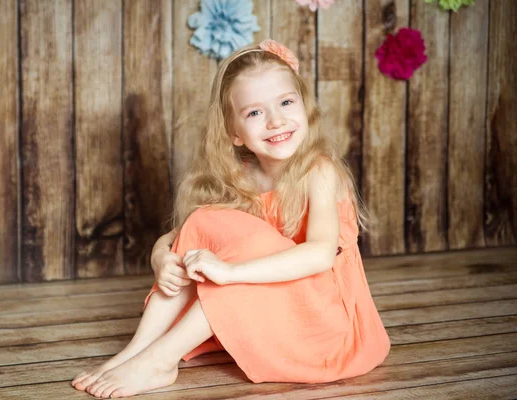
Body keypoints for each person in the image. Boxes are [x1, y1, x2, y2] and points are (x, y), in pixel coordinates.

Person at [71, 39, 390, 399]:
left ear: (305, 107)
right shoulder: (244, 175)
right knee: (206, 218)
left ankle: (161, 359)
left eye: (286, 102)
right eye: (255, 113)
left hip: (330, 332)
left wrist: (231, 273)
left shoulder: (319, 170)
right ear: (234, 133)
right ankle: (137, 351)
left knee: (248, 249)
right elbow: (184, 232)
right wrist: (160, 256)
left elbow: (318, 254)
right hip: (279, 315)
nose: (276, 120)